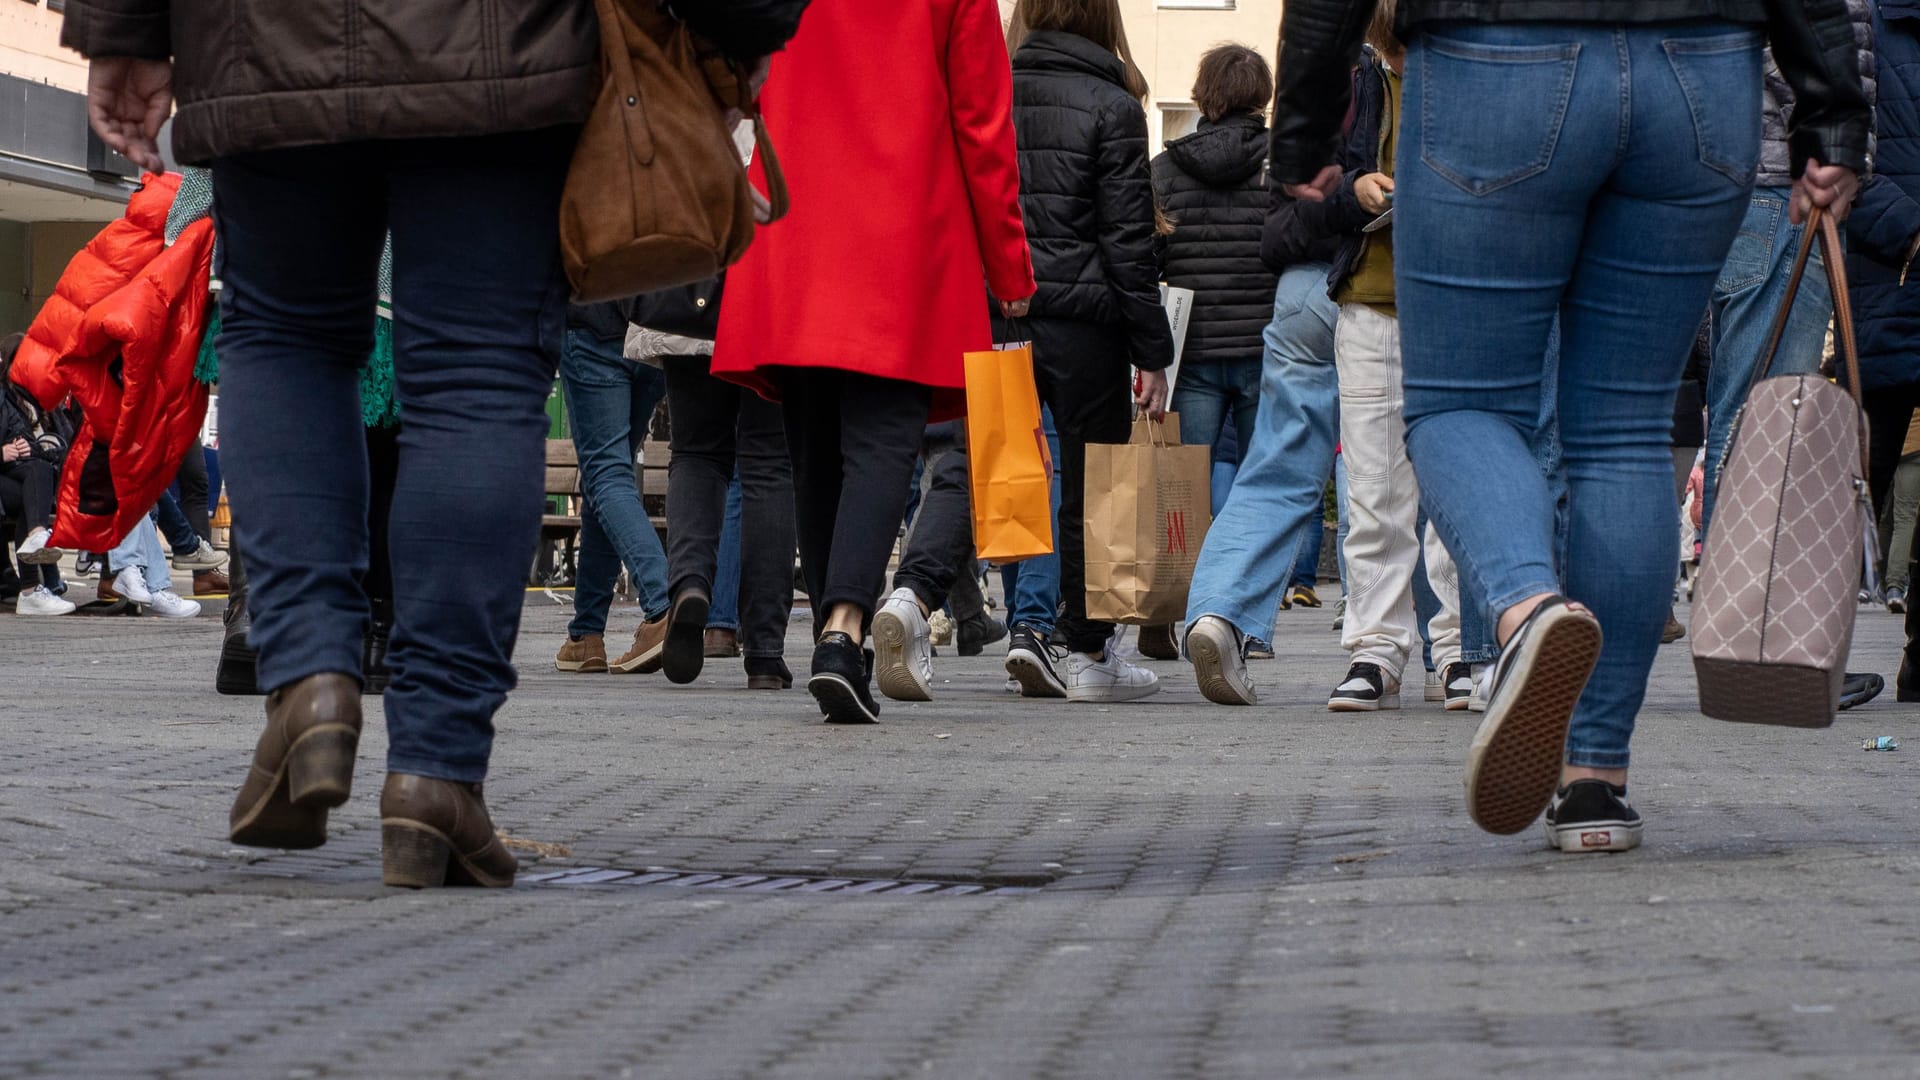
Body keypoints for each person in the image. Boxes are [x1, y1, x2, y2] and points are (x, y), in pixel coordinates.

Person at [66, 0, 811, 888]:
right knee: (479, 371)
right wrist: (741, 30)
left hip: (262, 40)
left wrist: (124, 28)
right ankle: (437, 767)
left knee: (286, 336)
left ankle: (308, 674)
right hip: (501, 48)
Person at [1272, 0, 1866, 850]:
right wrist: (1834, 119)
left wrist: (1303, 129)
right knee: (1625, 430)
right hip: (1700, 71)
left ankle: (1525, 613)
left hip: (1495, 59)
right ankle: (1595, 784)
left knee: (1461, 401)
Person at [713, 0, 1036, 723]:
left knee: (815, 453)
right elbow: (983, 126)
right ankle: (844, 627)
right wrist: (1010, 266)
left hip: (790, 225)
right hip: (901, 227)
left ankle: (844, 648)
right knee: (883, 443)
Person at [980, 0, 1174, 703]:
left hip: (1002, 309)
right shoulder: (1113, 104)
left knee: (1009, 472)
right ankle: (1088, 649)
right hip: (1087, 322)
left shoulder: (990, 90)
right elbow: (1128, 243)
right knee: (1097, 485)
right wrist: (1152, 350)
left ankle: (937, 604)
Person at [1698, 0, 1875, 541]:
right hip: (1788, 187)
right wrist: (1829, 146)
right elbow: (1790, 35)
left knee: (1750, 411)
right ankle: (1746, 612)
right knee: (1768, 422)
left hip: (1753, 184)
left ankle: (1738, 603)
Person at [1138, 43, 1280, 663]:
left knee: (1181, 492)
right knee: (1263, 490)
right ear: (1262, 95)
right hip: (1268, 349)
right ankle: (1241, 621)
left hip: (1189, 354)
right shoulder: (1285, 166)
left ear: (1203, 94)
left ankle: (1169, 610)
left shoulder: (1165, 169)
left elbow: (1149, 262)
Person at [552, 300, 674, 677]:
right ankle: (586, 635)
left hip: (593, 324)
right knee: (603, 480)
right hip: (651, 334)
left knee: (606, 475)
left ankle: (664, 605)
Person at [1, 334, 75, 616]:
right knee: (32, 484)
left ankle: (31, 589)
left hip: (31, 479)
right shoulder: (5, 396)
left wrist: (40, 449)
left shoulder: (43, 400)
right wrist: (5, 451)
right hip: (11, 475)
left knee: (29, 495)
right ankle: (33, 585)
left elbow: (64, 443)